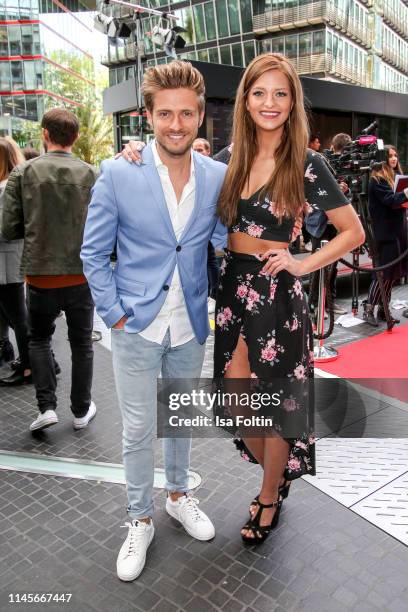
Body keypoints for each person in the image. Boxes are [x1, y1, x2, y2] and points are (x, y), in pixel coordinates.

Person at [81, 61, 227, 583]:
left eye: (186, 113)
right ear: (148, 115)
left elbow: (224, 240)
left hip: (189, 322)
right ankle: (139, 517)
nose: (176, 124)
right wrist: (115, 314)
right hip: (136, 325)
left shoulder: (217, 175)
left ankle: (178, 496)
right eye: (164, 113)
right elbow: (93, 254)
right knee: (139, 428)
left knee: (180, 418)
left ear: (200, 115)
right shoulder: (118, 171)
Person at [214, 53, 364, 544]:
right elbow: (178, 173)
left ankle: (268, 495)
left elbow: (352, 232)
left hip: (276, 293)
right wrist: (137, 154)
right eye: (260, 92)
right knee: (237, 407)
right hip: (233, 291)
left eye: (281, 93)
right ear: (246, 99)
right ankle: (277, 478)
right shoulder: (230, 156)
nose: (270, 102)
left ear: (293, 101)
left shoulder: (305, 161)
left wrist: (301, 262)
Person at [2, 108, 97, 431]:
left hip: (39, 274)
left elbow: (7, 228)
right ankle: (82, 410)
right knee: (81, 342)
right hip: (81, 273)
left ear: (45, 134)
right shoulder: (90, 174)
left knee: (39, 339)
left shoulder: (24, 173)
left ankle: (46, 407)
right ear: (77, 137)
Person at [306, 132, 353, 316]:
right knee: (318, 265)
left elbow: (346, 198)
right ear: (334, 148)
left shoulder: (345, 165)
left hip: (336, 222)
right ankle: (314, 304)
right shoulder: (319, 161)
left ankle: (329, 302)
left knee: (333, 264)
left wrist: (343, 190)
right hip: (320, 222)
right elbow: (312, 191)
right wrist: (333, 188)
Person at [362, 145, 408, 326]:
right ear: (382, 159)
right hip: (385, 233)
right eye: (390, 156)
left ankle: (383, 309)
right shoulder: (377, 180)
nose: (394, 159)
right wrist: (405, 193)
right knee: (382, 273)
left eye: (395, 155)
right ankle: (369, 309)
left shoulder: (394, 178)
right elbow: (390, 200)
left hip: (398, 230)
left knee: (392, 274)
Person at [0, 137, 32, 385]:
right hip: (10, 260)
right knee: (9, 312)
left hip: (7, 262)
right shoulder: (15, 184)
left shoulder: (6, 187)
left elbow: (7, 229)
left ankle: (29, 365)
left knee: (18, 316)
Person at [192, 138, 219, 311]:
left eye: (200, 149)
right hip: (193, 226)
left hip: (208, 224)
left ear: (208, 151)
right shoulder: (188, 169)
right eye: (194, 149)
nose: (197, 152)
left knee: (209, 260)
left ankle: (214, 295)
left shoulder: (215, 170)